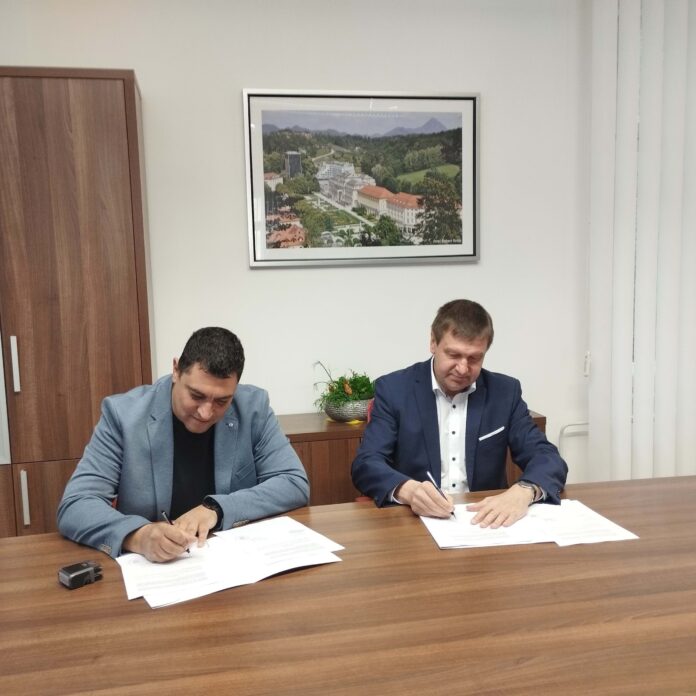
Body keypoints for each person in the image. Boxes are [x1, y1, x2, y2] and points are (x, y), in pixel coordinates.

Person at [58, 327, 309, 562]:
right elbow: (76, 505)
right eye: (196, 396)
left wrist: (216, 509)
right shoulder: (123, 415)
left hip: (229, 562)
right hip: (154, 568)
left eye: (222, 401)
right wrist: (138, 535)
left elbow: (293, 482)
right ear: (176, 370)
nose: (206, 413)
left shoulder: (253, 408)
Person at [351, 299, 567, 528]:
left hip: (485, 522)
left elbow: (547, 457)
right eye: (453, 355)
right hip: (414, 523)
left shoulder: (504, 393)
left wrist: (524, 491)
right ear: (433, 342)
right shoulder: (394, 390)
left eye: (474, 358)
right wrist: (409, 491)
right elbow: (366, 463)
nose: (463, 369)